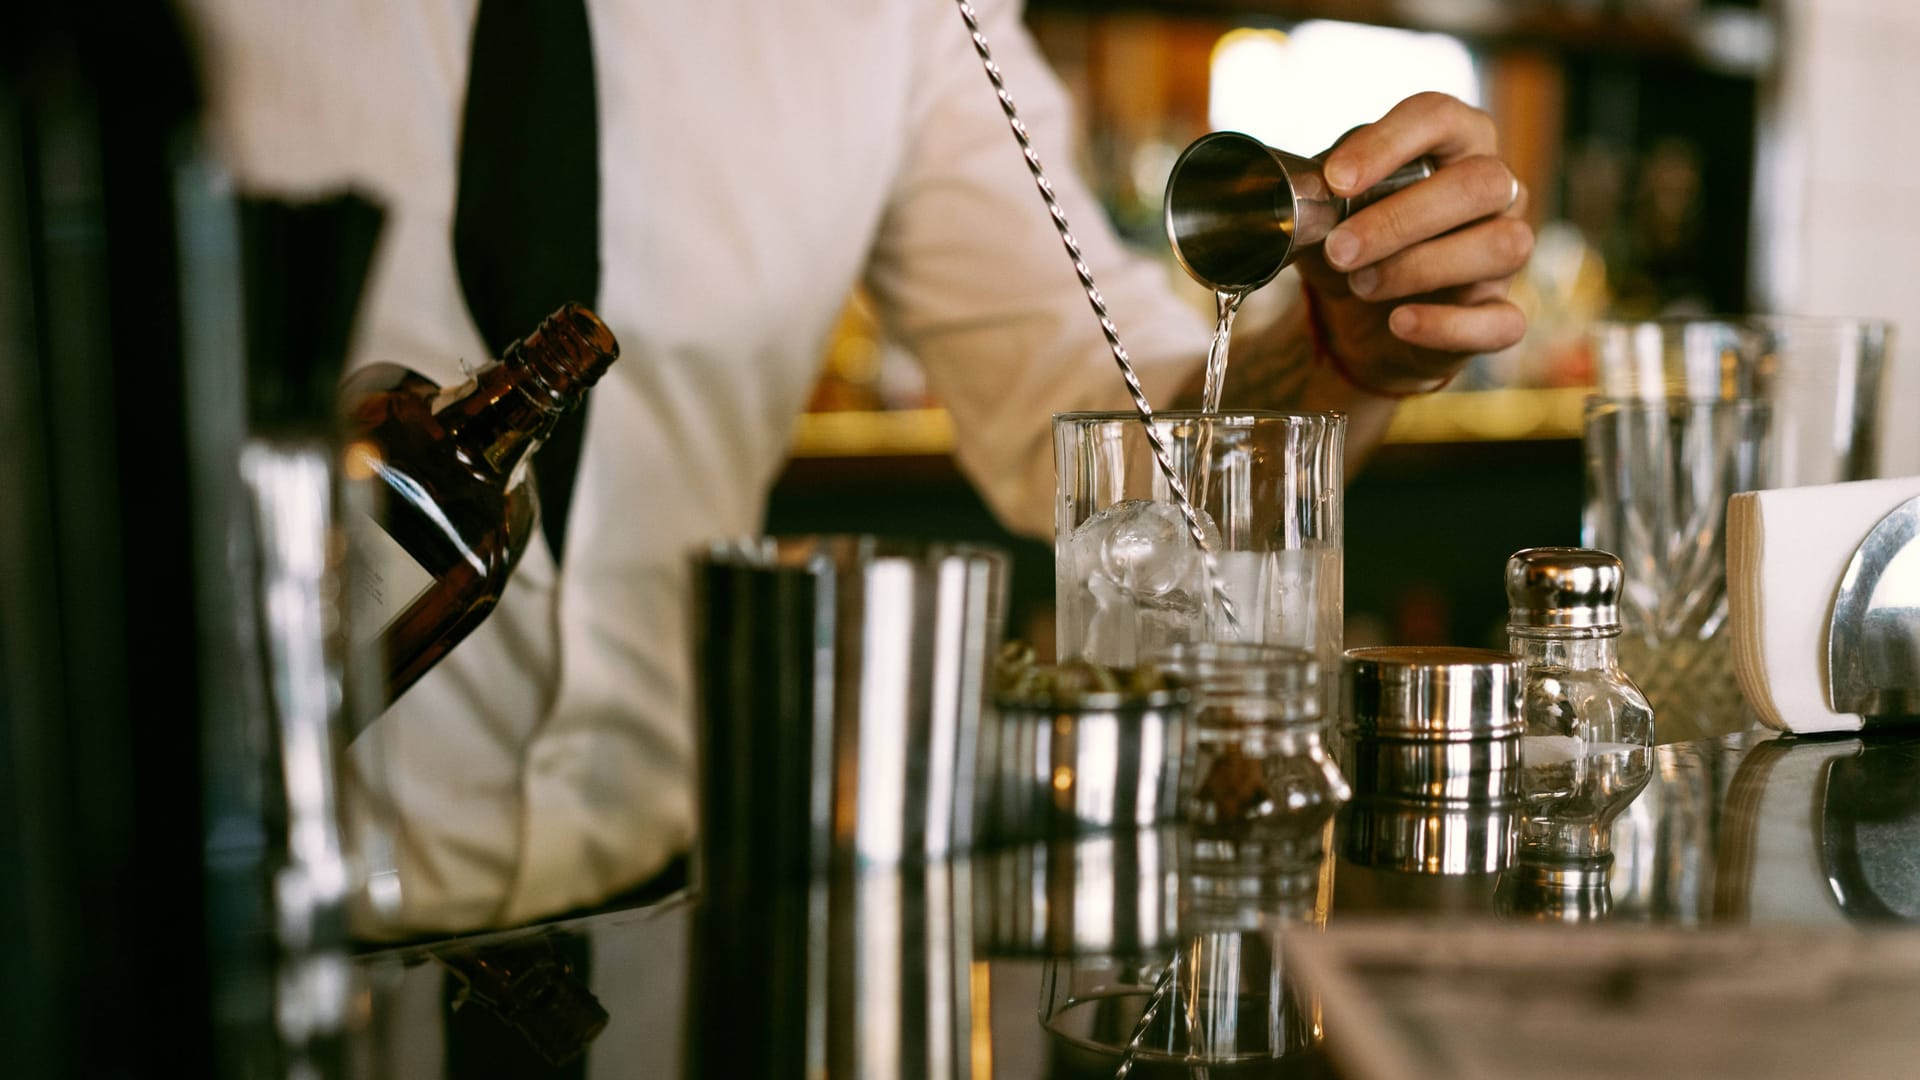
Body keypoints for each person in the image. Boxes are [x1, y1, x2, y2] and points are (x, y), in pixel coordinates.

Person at [182, 0, 1530, 932]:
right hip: (198, 940)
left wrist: (1346, 353)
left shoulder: (893, 17)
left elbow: (1104, 423)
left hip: (666, 921)